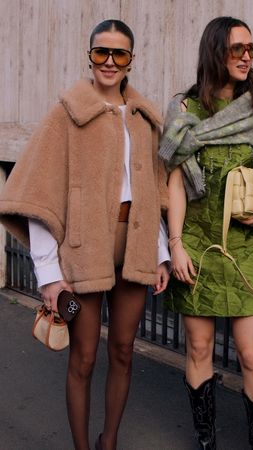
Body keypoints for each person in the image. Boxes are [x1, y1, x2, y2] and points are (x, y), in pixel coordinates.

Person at [0, 20, 169, 450]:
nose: (109, 62)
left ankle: (107, 441)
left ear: (132, 60)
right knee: (84, 358)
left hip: (134, 249)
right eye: (101, 53)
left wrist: (161, 251)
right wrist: (49, 274)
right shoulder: (66, 113)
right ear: (89, 55)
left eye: (120, 54)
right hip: (81, 252)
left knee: (124, 352)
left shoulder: (145, 118)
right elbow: (40, 195)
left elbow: (152, 190)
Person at [159, 16, 253, 450]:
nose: (245, 57)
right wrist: (175, 244)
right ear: (214, 52)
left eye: (250, 49)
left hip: (248, 247)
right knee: (199, 349)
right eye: (236, 48)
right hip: (197, 245)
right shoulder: (185, 111)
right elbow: (177, 184)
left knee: (252, 353)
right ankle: (207, 442)